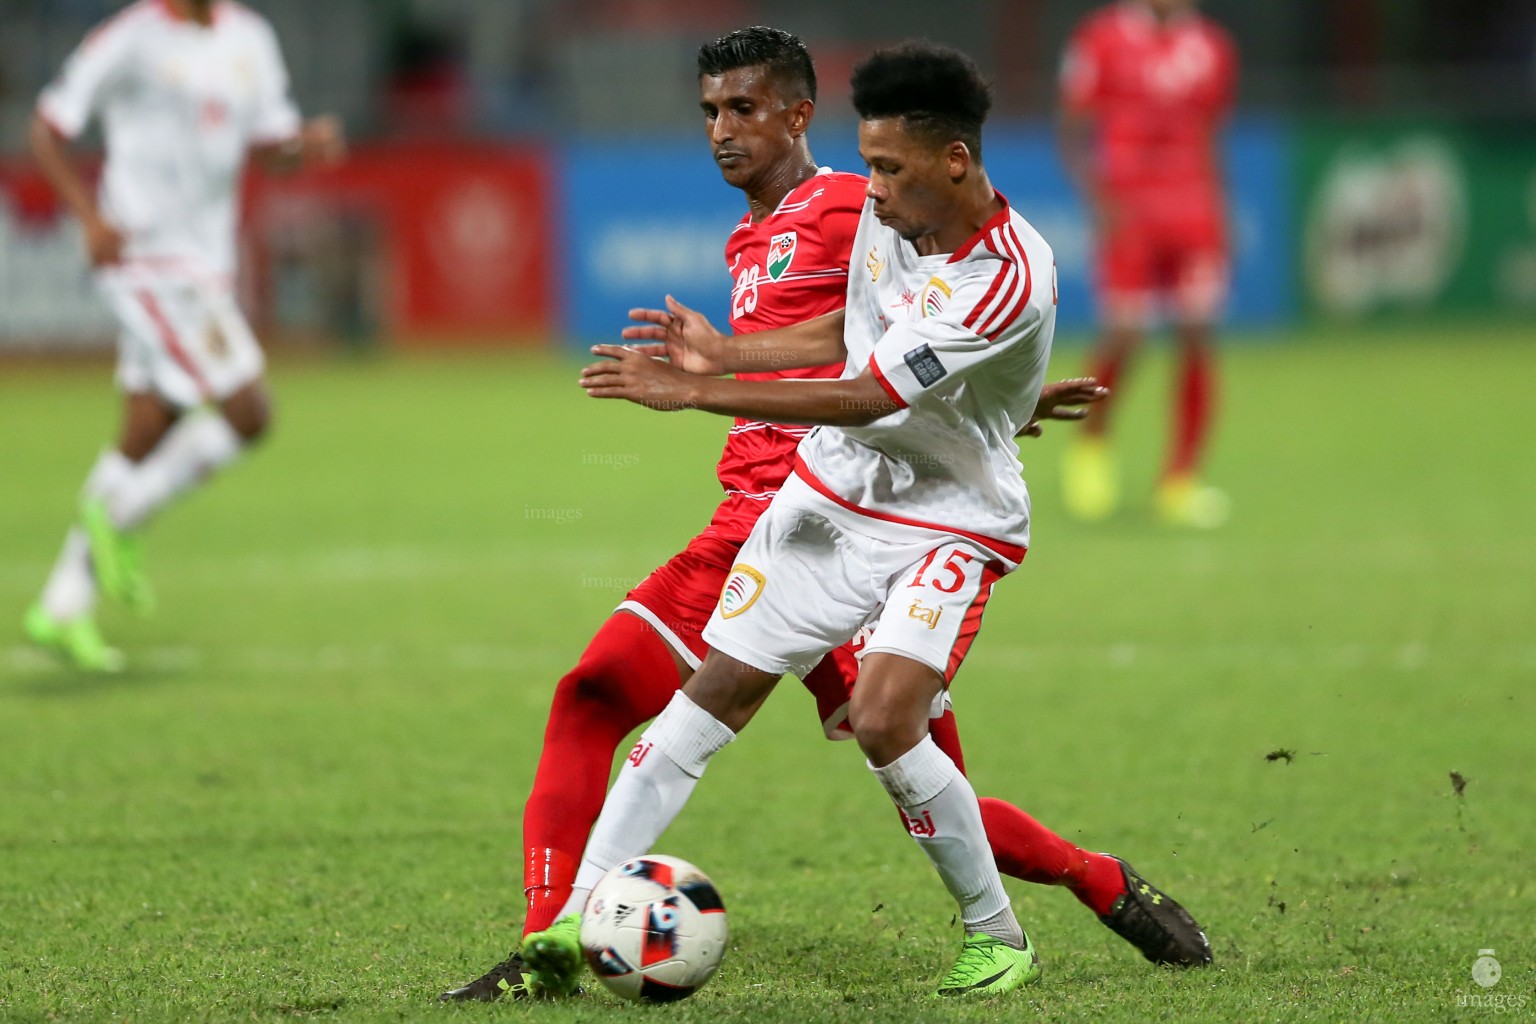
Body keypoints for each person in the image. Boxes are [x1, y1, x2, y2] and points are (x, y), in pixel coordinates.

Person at [441, 26, 1207, 1004]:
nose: (873, 187)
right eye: (710, 109)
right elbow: (852, 333)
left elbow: (868, 389)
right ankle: (561, 933)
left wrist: (698, 392)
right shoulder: (848, 218)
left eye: (743, 108)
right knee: (665, 706)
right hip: (815, 506)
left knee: (899, 740)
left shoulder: (942, 243)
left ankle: (1044, 908)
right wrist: (722, 357)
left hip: (939, 519)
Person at [22, 0, 345, 670]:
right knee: (250, 410)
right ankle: (119, 517)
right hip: (146, 260)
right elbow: (49, 128)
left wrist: (302, 148)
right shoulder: (130, 37)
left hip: (207, 263)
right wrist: (88, 220)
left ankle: (59, 604)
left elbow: (268, 148)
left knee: (148, 422)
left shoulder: (251, 37)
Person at [1057, 0, 1238, 528]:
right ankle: (1091, 445)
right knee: (1126, 332)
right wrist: (1098, 201)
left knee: (1197, 332)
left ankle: (1181, 479)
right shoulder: (1102, 38)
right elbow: (1071, 127)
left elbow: (1211, 134)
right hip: (1129, 209)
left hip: (1192, 208)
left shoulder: (1212, 46)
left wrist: (1218, 210)